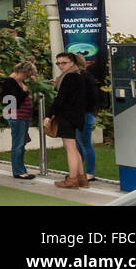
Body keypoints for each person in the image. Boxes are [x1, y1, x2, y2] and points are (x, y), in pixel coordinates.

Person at [49, 52, 87, 188]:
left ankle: (72, 179)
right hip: (76, 116)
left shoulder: (69, 77)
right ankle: (82, 178)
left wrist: (49, 115)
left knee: (70, 148)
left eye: (63, 63)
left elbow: (61, 99)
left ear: (72, 63)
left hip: (67, 116)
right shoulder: (78, 75)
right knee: (73, 148)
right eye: (58, 63)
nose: (60, 66)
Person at [0, 60, 37, 180]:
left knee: (21, 144)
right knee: (18, 144)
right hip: (17, 117)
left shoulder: (18, 81)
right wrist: (25, 91)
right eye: (26, 75)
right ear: (21, 71)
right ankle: (19, 171)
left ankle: (21, 169)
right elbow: (11, 101)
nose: (26, 78)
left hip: (23, 117)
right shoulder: (10, 82)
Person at [72, 52, 99, 186]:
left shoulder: (84, 77)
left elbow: (91, 97)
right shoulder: (78, 76)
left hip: (84, 114)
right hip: (81, 114)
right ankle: (80, 171)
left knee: (84, 143)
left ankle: (89, 172)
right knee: (79, 143)